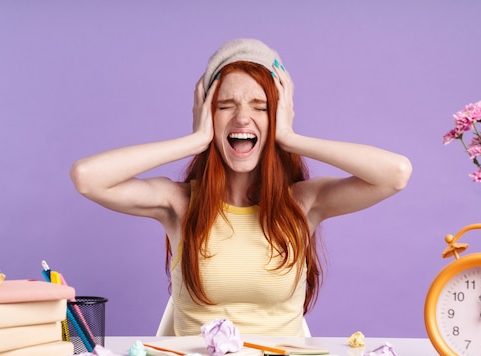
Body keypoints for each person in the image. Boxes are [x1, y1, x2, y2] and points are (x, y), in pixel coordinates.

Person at [70, 39, 412, 336]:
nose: (242, 118)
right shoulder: (179, 204)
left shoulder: (304, 203)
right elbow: (87, 177)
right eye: (225, 106)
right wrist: (195, 140)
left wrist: (291, 138)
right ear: (207, 114)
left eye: (260, 107)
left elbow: (395, 173)